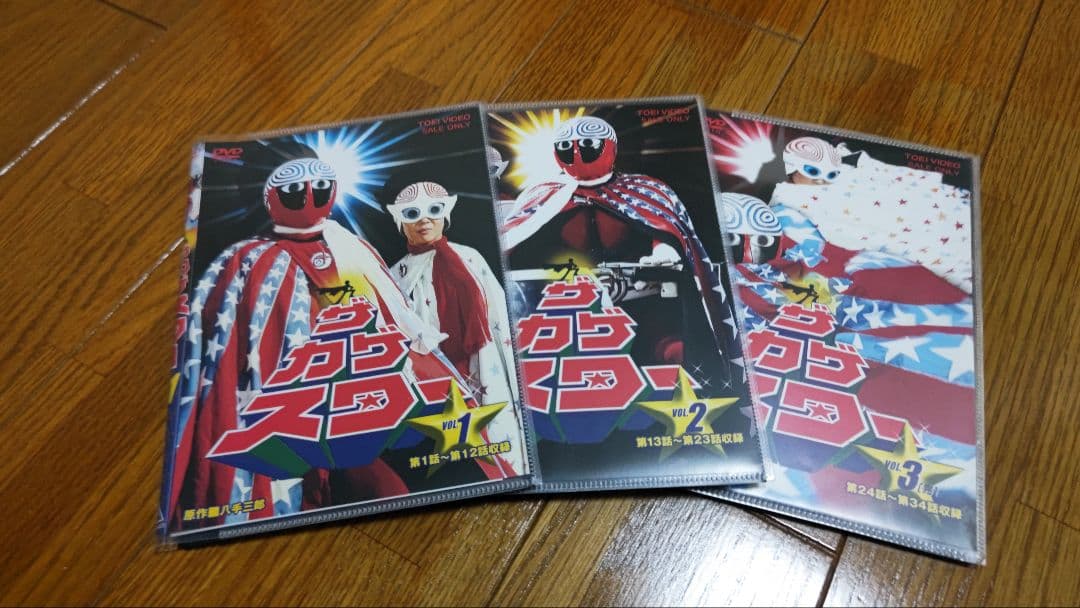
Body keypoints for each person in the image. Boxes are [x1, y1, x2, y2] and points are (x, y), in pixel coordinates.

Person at [167, 159, 503, 530]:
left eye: (320, 187)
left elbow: (392, 310)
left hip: (372, 380)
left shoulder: (351, 245)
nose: (310, 197)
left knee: (403, 479)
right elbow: (234, 342)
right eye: (295, 191)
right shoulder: (252, 259)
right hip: (305, 393)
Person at [501, 116, 735, 372]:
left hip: (641, 296)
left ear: (610, 148)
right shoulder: (542, 193)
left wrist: (663, 250)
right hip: (566, 301)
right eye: (567, 148)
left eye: (588, 146)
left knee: (668, 351)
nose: (577, 154)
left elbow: (668, 230)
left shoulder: (645, 190)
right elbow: (515, 240)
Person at [389, 182, 523, 474]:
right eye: (412, 213)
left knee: (494, 433)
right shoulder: (394, 275)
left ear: (445, 213)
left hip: (481, 362)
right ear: (399, 220)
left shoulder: (469, 257)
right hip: (429, 371)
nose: (424, 220)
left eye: (433, 210)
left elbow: (499, 312)